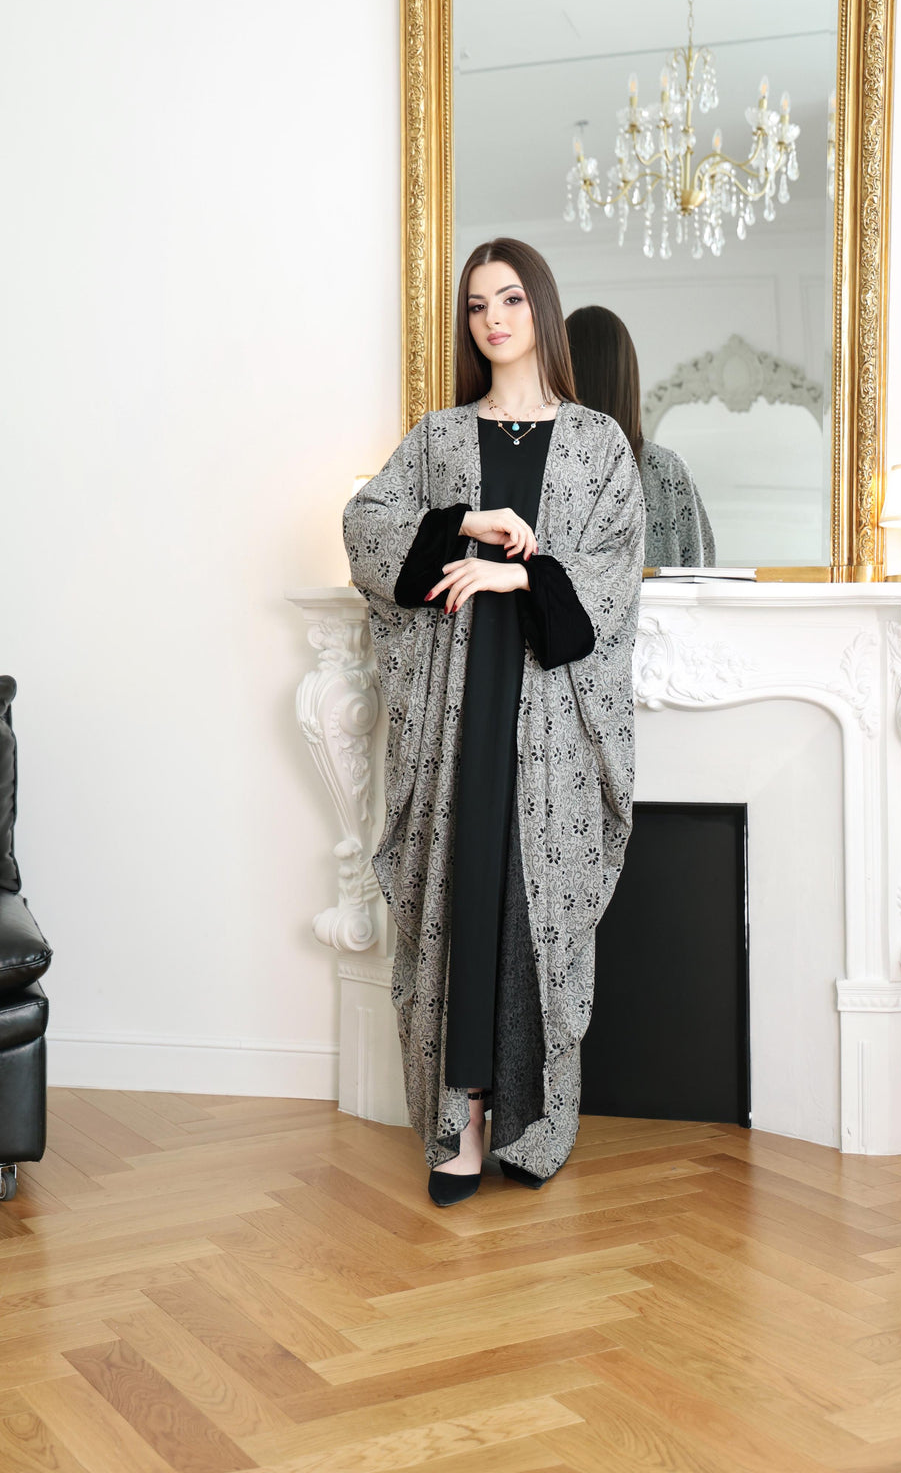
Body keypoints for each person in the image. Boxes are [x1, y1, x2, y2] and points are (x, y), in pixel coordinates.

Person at [343, 238, 644, 1207]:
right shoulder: (437, 438)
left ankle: (532, 1119)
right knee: (459, 904)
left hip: (549, 722)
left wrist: (522, 571)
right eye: (477, 306)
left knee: (534, 907)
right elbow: (366, 526)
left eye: (510, 299)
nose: (493, 318)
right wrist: (464, 522)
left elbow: (612, 579)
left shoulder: (597, 442)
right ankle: (459, 1123)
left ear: (540, 310)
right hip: (456, 718)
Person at [565, 305, 716, 569]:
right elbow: (702, 569)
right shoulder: (668, 469)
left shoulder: (545, 466)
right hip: (661, 612)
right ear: (628, 376)